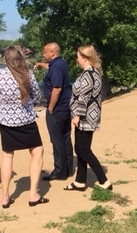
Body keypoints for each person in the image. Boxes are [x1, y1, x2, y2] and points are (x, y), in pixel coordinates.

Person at [0, 46, 48, 208]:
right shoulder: (27, 74)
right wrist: (28, 105)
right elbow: (36, 95)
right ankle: (33, 194)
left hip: (5, 121)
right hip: (25, 120)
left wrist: (3, 109)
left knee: (7, 155)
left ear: (5, 60)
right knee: (37, 152)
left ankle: (5, 197)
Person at [65, 45, 112, 191]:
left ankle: (104, 181)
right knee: (80, 149)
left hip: (85, 117)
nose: (76, 59)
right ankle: (80, 181)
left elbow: (83, 97)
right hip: (88, 116)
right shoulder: (94, 73)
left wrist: (77, 115)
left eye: (78, 57)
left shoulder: (88, 74)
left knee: (83, 149)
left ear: (85, 58)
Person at [34, 42, 73, 181]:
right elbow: (50, 67)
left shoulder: (56, 67)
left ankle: (60, 171)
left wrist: (50, 107)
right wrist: (41, 64)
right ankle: (68, 169)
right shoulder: (60, 63)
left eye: (45, 52)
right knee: (65, 137)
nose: (43, 54)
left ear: (52, 52)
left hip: (57, 109)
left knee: (57, 140)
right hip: (65, 107)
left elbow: (57, 88)